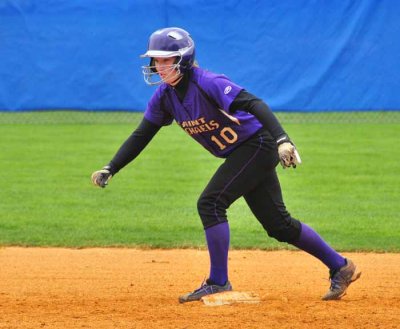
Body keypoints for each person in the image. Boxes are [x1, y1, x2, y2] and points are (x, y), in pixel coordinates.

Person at [91, 27, 361, 303]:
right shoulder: (165, 97)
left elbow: (255, 104)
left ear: (183, 58)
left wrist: (283, 140)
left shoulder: (208, 82)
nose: (158, 66)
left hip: (258, 145)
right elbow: (142, 134)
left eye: (165, 59)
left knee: (211, 202)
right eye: (156, 60)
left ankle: (218, 281)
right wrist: (111, 167)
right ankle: (341, 267)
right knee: (278, 225)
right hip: (244, 152)